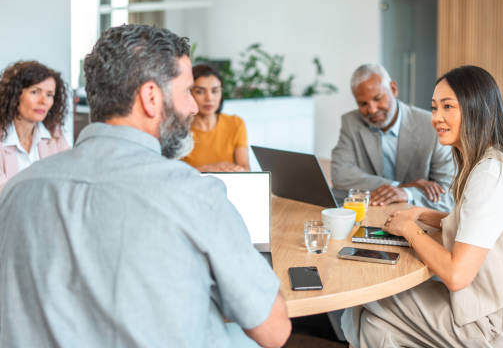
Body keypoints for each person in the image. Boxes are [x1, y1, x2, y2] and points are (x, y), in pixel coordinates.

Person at [0, 25, 291, 348]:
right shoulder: (192, 193)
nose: (194, 107)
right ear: (151, 97)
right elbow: (274, 331)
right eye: (187, 92)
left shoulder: (17, 191)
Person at [341, 65, 503, 347]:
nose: (436, 118)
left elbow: (456, 275)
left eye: (447, 107)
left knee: (367, 303)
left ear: (476, 109)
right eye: (434, 108)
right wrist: (421, 214)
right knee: (375, 325)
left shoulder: (490, 175)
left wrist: (409, 230)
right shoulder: (490, 160)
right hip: (501, 309)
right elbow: (476, 227)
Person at [331, 63, 454, 210]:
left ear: (393, 89)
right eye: (363, 104)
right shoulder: (351, 122)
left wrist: (407, 193)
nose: (372, 109)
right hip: (372, 214)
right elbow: (340, 175)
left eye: (377, 98)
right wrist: (398, 186)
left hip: (416, 221)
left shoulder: (432, 125)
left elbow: (449, 196)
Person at [0, 60, 70, 192]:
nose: (43, 101)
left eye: (49, 95)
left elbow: (68, 179)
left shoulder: (54, 135)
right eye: (35, 92)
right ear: (15, 94)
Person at [182, 64, 250, 172]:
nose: (209, 98)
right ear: (189, 93)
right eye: (200, 91)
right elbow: (173, 176)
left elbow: (245, 168)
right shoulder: (178, 130)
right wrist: (205, 169)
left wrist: (239, 171)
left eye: (215, 91)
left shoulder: (235, 123)